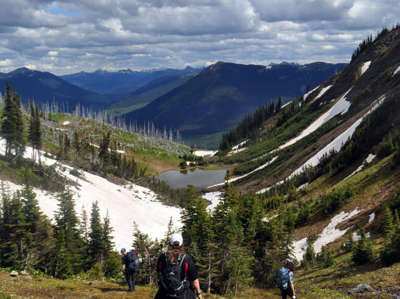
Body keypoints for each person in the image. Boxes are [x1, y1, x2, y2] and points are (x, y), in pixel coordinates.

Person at [155, 233, 203, 299]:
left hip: (164, 294)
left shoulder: (163, 257)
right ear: (181, 244)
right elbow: (194, 280)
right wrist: (199, 293)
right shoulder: (186, 258)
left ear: (170, 244)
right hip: (183, 294)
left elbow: (159, 272)